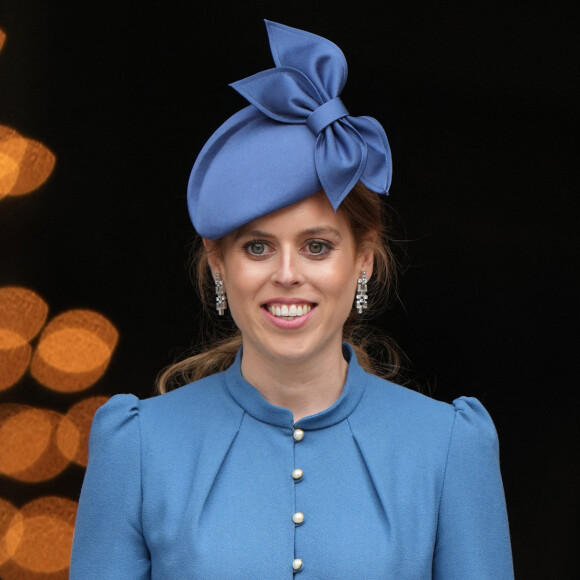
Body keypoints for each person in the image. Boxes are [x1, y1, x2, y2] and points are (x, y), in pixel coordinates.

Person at [69, 20, 514, 579]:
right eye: (257, 247)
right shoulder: (135, 448)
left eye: (317, 246)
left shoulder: (450, 447)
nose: (286, 274)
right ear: (218, 266)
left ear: (363, 260)